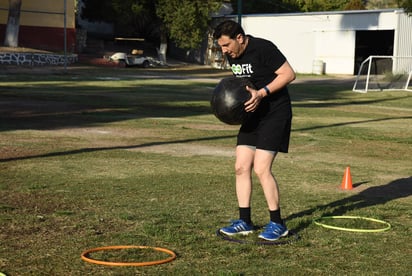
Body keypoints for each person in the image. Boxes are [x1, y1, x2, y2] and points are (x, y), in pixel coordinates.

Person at [213, 20, 296, 241]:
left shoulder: (264, 48)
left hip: (274, 113)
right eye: (221, 47)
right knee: (241, 167)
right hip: (252, 115)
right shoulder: (233, 55)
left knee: (261, 168)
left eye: (226, 45)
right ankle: (245, 221)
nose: (224, 51)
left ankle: (278, 224)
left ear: (239, 38)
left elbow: (288, 74)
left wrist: (261, 93)